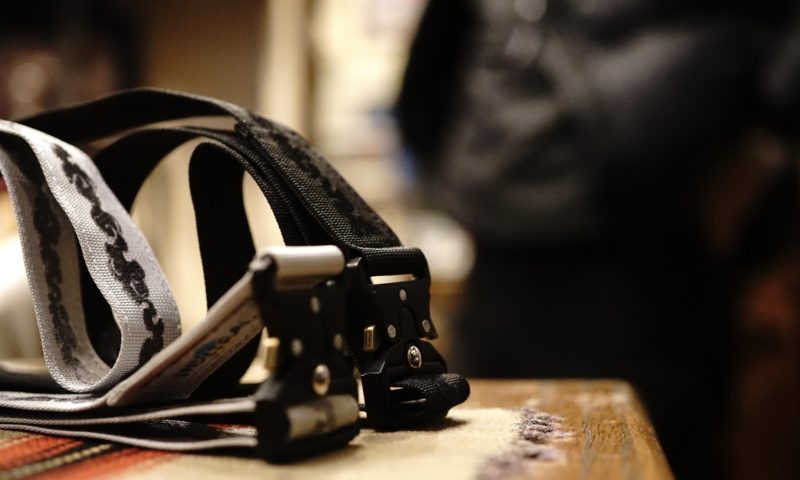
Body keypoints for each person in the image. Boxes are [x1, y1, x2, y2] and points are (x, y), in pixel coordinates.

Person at [396, 1, 800, 477]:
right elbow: (430, 80)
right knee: (491, 448)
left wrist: (766, 149)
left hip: (655, 243)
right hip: (510, 245)